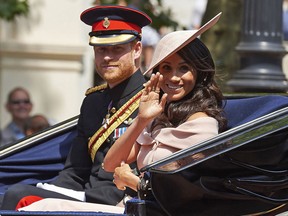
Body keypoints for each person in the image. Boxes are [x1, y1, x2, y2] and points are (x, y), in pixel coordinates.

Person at [0, 5, 152, 210]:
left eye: (117, 49)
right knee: (12, 193)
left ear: (137, 50)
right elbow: (74, 172)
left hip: (126, 200)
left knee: (18, 196)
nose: (107, 57)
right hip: (87, 197)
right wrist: (50, 196)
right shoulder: (93, 101)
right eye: (101, 50)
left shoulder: (152, 98)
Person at [102, 12, 226, 195]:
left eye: (184, 68)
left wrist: (134, 182)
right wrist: (141, 120)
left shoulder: (203, 126)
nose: (174, 77)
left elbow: (191, 194)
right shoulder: (157, 118)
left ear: (199, 72)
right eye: (166, 68)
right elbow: (110, 164)